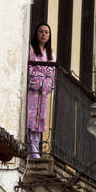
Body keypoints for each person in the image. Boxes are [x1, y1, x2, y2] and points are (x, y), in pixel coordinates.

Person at [26, 23, 55, 158]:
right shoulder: (31, 50)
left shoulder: (51, 55)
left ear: (49, 36)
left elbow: (52, 74)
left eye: (46, 32)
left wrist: (46, 83)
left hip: (43, 93)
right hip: (33, 91)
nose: (44, 34)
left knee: (40, 121)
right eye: (41, 31)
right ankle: (32, 150)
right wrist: (39, 80)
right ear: (36, 34)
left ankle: (35, 148)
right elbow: (30, 70)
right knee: (31, 119)